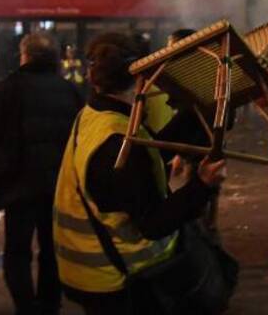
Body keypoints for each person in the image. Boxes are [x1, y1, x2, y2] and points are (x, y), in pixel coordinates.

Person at [53, 32, 230, 315]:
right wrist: (202, 184)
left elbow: (138, 169)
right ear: (142, 76)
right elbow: (152, 224)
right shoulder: (120, 143)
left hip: (89, 268)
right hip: (117, 278)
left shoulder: (96, 116)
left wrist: (193, 114)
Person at [0, 32, 83, 315]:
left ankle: (25, 307)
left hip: (17, 186)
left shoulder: (5, 90)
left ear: (24, 56)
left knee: (17, 251)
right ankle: (49, 305)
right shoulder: (71, 91)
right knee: (52, 250)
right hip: (58, 187)